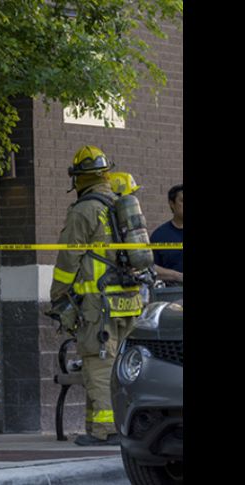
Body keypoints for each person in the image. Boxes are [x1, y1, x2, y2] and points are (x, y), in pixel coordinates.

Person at [49, 146, 145, 446]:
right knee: (120, 364)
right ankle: (99, 427)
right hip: (128, 299)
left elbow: (68, 259)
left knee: (98, 363)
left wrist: (58, 296)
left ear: (79, 178)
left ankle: (107, 430)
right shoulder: (118, 203)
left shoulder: (84, 210)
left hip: (98, 303)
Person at [150, 184, 183, 286]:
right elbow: (151, 268)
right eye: (182, 201)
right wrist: (177, 276)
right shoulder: (159, 236)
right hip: (171, 295)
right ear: (171, 204)